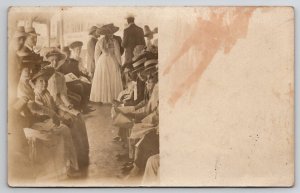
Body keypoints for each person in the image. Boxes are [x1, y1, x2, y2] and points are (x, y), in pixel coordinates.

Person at [27, 67, 81, 178]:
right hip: (40, 123)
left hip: (50, 120)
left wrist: (65, 113)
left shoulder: (46, 92)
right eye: (41, 81)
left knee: (71, 124)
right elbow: (42, 113)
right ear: (35, 82)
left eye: (46, 81)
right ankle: (66, 167)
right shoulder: (36, 95)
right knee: (64, 130)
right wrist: (59, 119)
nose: (44, 84)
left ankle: (70, 164)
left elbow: (55, 106)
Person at [45, 49, 90, 169]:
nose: (54, 63)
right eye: (51, 61)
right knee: (72, 120)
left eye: (56, 60)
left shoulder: (60, 76)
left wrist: (69, 105)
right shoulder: (46, 77)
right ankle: (71, 161)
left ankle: (82, 157)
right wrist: (64, 109)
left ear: (59, 61)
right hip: (51, 107)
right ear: (48, 61)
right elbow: (52, 99)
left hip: (61, 105)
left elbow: (63, 95)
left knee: (79, 117)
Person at [90, 24, 123, 103]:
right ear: (110, 33)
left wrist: (98, 65)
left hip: (102, 61)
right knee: (112, 78)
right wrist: (120, 64)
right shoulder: (114, 41)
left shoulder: (99, 42)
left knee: (104, 79)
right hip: (112, 60)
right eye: (111, 33)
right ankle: (113, 97)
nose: (112, 34)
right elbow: (118, 54)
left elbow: (96, 55)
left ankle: (103, 98)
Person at [59, 46, 94, 113]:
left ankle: (85, 105)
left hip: (75, 80)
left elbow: (78, 72)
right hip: (66, 83)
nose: (67, 55)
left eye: (68, 53)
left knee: (87, 85)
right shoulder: (60, 64)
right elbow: (60, 74)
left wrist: (86, 76)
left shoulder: (74, 62)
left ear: (70, 53)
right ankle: (83, 107)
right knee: (80, 86)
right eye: (65, 54)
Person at [8, 26, 28, 101]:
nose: (22, 42)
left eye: (23, 39)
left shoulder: (18, 56)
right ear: (11, 39)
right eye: (19, 38)